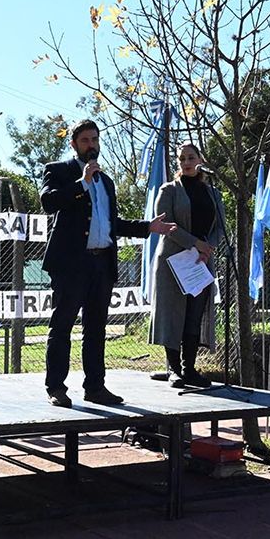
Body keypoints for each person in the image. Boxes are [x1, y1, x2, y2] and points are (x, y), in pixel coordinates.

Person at [41, 119, 175, 407]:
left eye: (94, 139)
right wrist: (82, 183)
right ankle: (56, 388)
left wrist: (147, 227)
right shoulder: (59, 171)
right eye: (85, 140)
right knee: (62, 326)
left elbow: (113, 224)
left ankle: (95, 387)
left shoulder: (107, 182)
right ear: (74, 144)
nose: (91, 145)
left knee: (96, 330)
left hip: (101, 264)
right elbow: (49, 202)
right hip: (71, 265)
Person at [148, 142, 224, 389]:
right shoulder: (168, 190)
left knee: (194, 315)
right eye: (182, 159)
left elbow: (219, 227)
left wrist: (207, 248)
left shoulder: (213, 192)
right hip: (173, 261)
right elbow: (166, 226)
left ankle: (189, 369)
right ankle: (174, 370)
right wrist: (195, 243)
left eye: (191, 157)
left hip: (201, 262)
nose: (186, 162)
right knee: (173, 314)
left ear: (200, 160)